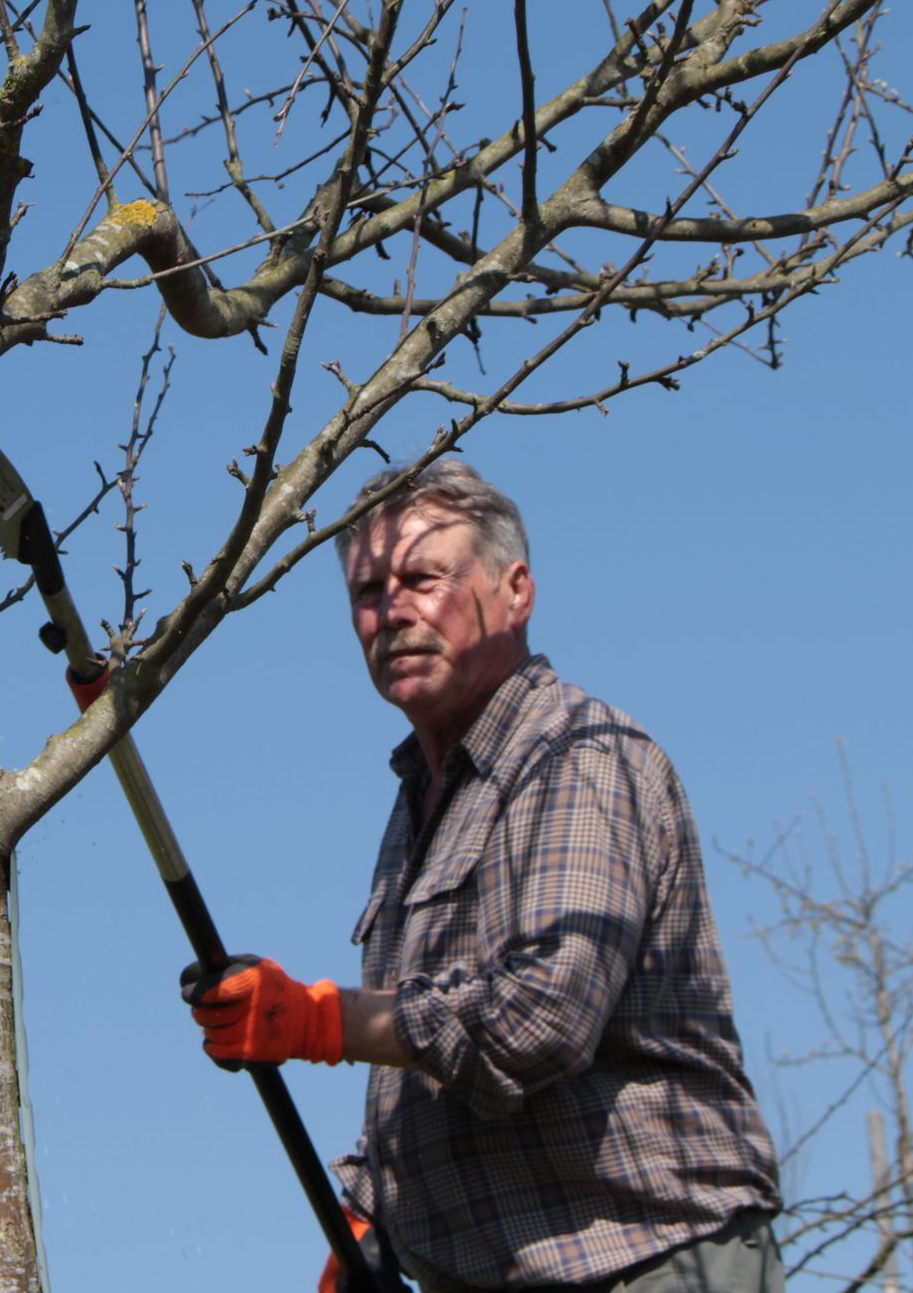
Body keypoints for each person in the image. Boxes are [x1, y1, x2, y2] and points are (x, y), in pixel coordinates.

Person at [182, 461, 785, 1293]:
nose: (393, 611)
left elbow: (541, 1018)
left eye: (422, 579)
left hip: (643, 1261)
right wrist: (371, 1214)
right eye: (368, 592)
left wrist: (320, 1021)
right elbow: (428, 1048)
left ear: (515, 592)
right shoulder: (421, 801)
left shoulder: (579, 757)